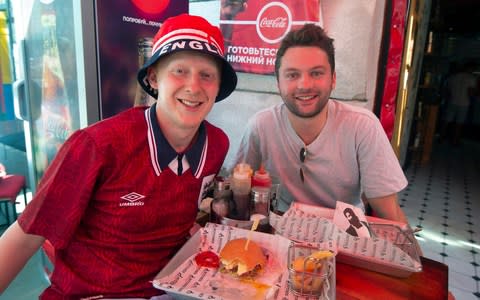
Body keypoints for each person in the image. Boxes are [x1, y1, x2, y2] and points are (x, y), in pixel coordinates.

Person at [0, 14, 237, 298]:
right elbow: (27, 236)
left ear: (218, 86)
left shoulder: (217, 144)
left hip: (173, 289)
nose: (194, 86)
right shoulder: (97, 146)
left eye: (206, 75)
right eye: (179, 71)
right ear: (154, 78)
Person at [230, 23, 408, 223]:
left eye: (316, 73)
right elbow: (238, 191)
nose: (304, 85)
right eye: (292, 75)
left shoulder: (363, 127)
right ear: (278, 82)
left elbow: (390, 214)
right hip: (281, 229)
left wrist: (411, 254)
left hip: (345, 232)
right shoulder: (261, 126)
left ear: (333, 79)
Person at [440, 62, 477, 145]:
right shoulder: (471, 78)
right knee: (459, 123)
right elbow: (470, 92)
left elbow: (446, 90)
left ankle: (441, 137)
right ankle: (454, 140)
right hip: (464, 103)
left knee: (446, 121)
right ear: (470, 69)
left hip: (452, 101)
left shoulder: (453, 77)